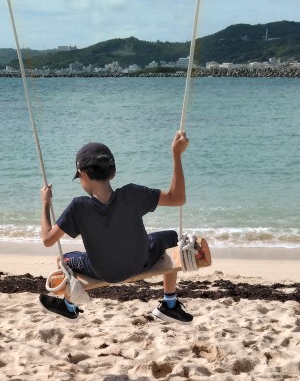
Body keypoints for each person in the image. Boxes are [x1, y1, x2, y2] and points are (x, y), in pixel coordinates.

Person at [38, 130, 193, 324]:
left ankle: (68, 306)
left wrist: (46, 203)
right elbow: (177, 198)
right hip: (141, 262)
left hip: (104, 272)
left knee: (63, 260)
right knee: (170, 237)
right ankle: (169, 304)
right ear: (113, 172)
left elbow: (47, 239)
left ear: (82, 174)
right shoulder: (132, 194)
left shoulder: (78, 207)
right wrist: (177, 155)